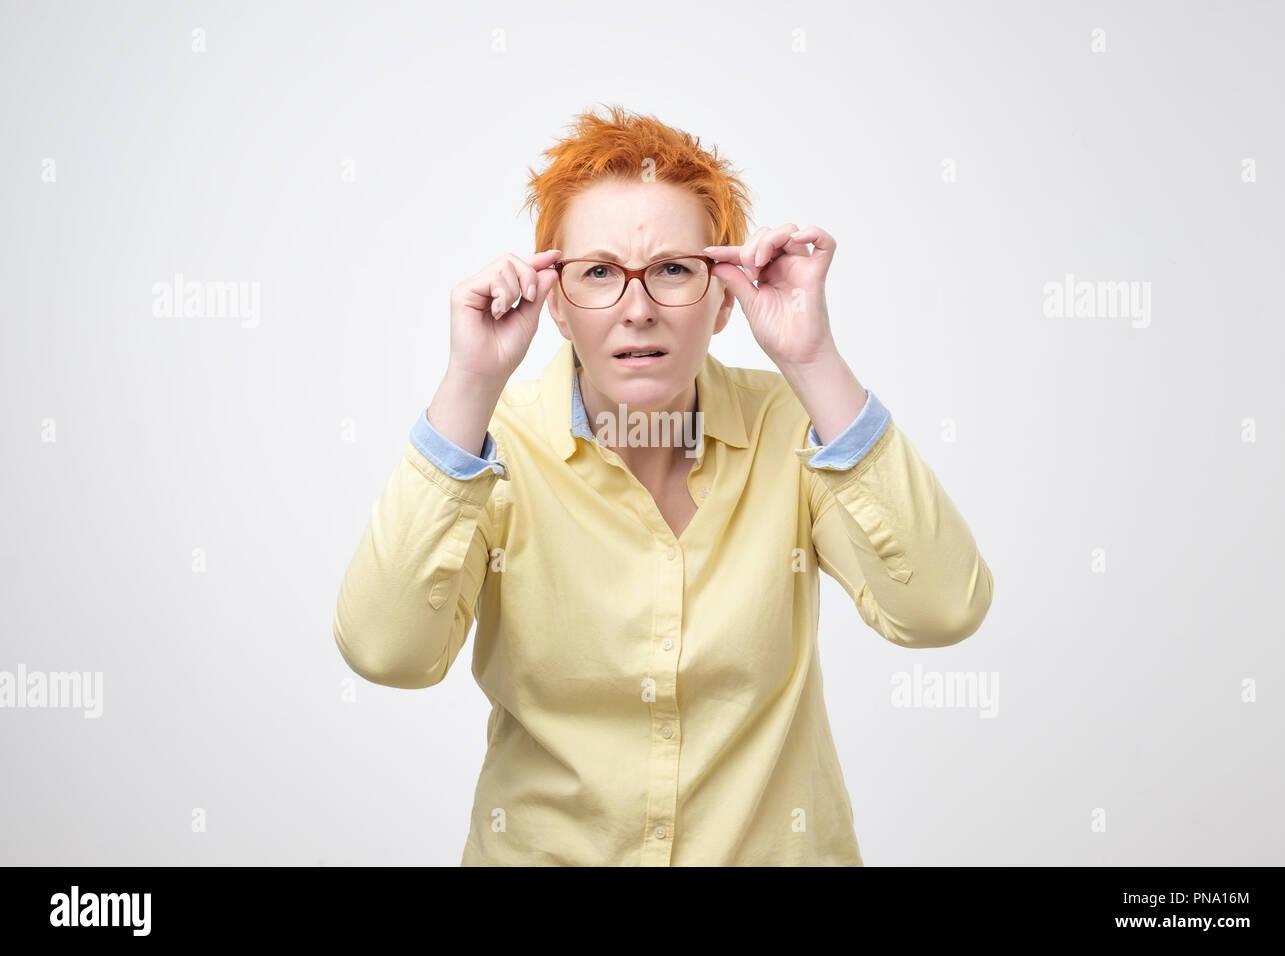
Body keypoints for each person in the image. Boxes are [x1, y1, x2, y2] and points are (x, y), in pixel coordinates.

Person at [333, 105, 995, 866]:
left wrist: (813, 360)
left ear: (722, 301)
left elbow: (942, 610)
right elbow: (387, 654)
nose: (637, 309)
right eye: (600, 273)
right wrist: (470, 382)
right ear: (554, 301)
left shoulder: (794, 428)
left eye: (674, 270)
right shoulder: (491, 448)